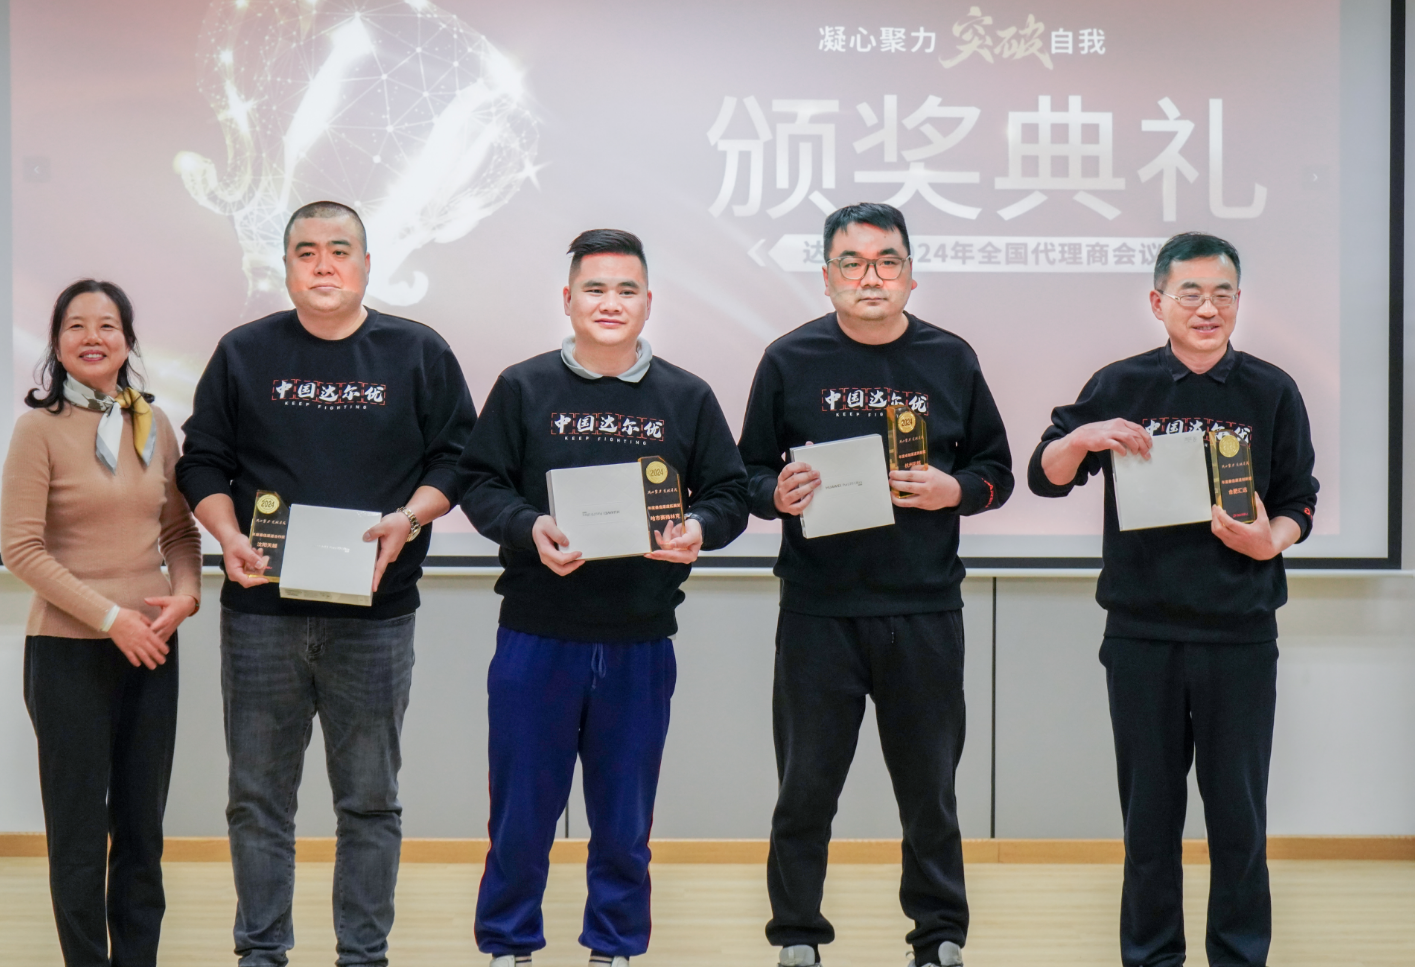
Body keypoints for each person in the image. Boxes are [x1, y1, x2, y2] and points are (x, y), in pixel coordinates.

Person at [174, 200, 477, 967]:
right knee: (257, 799)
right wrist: (228, 535)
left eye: (339, 249)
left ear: (367, 263)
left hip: (374, 617)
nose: (323, 264)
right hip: (261, 613)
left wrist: (409, 516)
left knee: (370, 800)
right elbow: (202, 460)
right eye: (305, 251)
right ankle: (261, 951)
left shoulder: (416, 352)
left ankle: (363, 954)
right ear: (284, 266)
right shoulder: (245, 351)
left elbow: (456, 460)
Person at [457, 229, 748, 967]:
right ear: (567, 299)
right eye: (594, 288)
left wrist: (698, 528)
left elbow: (729, 493)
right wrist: (528, 527)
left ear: (648, 302)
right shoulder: (523, 386)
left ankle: (614, 946)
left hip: (639, 637)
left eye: (626, 290)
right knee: (521, 812)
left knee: (624, 818)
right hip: (536, 633)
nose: (609, 303)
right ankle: (508, 943)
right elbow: (481, 483)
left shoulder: (685, 395)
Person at [1027, 232, 1318, 967]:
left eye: (1222, 293)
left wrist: (1271, 540)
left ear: (1239, 302)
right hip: (1141, 635)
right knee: (1149, 819)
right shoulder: (1120, 384)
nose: (1207, 307)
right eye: (1190, 293)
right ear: (1157, 303)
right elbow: (1044, 473)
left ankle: (1238, 955)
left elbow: (1299, 501)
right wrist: (1085, 437)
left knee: (1238, 819)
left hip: (1239, 633)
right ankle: (1151, 956)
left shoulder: (1271, 390)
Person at [738, 203, 1014, 967]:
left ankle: (939, 934)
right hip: (818, 611)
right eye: (852, 263)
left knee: (929, 792)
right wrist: (774, 493)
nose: (870, 277)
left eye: (886, 261)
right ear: (826, 276)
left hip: (923, 607)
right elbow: (746, 473)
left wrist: (953, 490)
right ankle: (797, 933)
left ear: (910, 275)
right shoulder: (789, 359)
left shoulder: (950, 359)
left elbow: (995, 470)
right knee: (804, 789)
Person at [1, 279, 202, 967]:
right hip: (68, 651)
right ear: (57, 343)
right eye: (76, 325)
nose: (93, 337)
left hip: (153, 647)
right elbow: (21, 549)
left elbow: (179, 532)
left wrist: (186, 595)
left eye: (107, 325)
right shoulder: (37, 430)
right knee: (79, 834)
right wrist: (112, 617)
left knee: (142, 828)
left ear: (127, 340)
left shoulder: (154, 423)